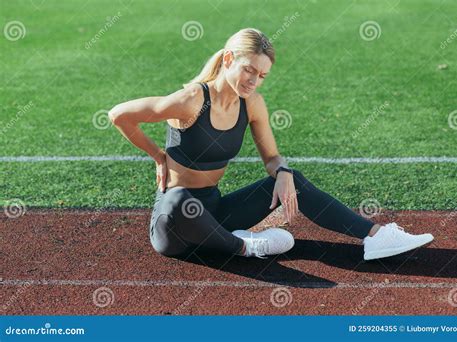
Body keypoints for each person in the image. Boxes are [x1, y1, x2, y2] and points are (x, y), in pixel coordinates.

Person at [108, 28, 434, 260]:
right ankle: (247, 247)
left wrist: (282, 171)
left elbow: (273, 156)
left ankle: (376, 236)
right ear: (227, 60)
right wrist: (156, 155)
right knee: (180, 199)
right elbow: (119, 114)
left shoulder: (252, 104)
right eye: (249, 69)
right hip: (173, 227)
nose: (254, 80)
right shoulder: (191, 100)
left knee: (293, 180)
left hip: (216, 212)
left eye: (262, 75)